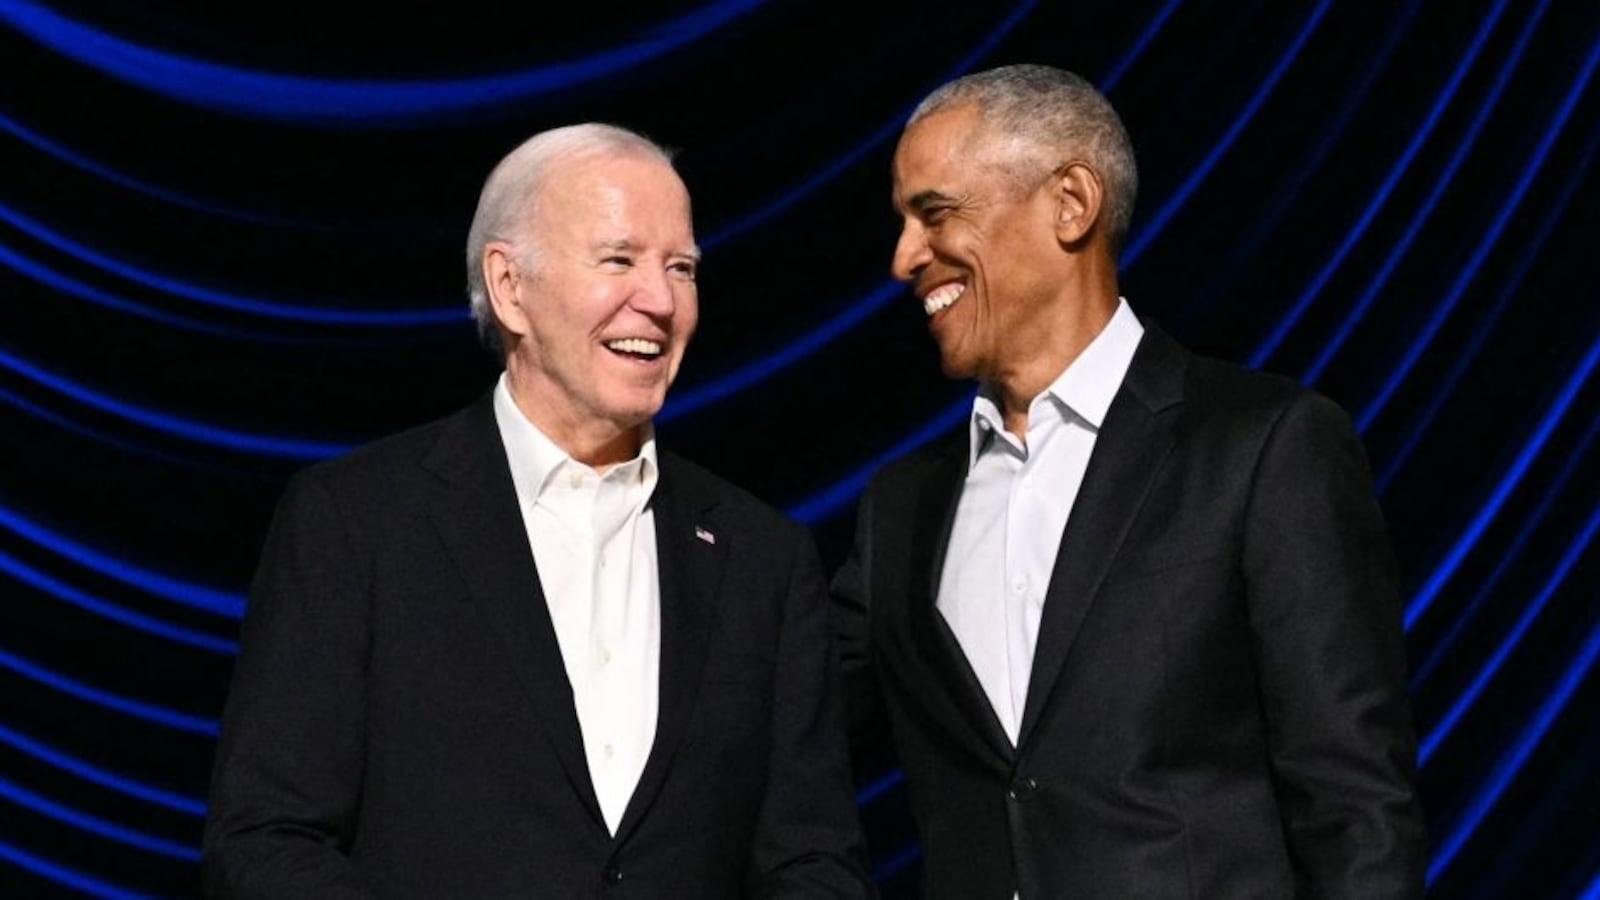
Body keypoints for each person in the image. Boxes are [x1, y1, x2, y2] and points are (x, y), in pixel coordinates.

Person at [204, 123, 874, 899]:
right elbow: (266, 841)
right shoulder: (357, 523)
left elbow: (814, 864)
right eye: (619, 259)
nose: (658, 300)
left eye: (681, 267)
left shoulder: (764, 558)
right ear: (510, 286)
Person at [832, 64, 1427, 898]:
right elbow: (779, 731)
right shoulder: (901, 512)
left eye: (934, 213)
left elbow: (1354, 803)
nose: (903, 258)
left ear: (1071, 204)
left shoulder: (1261, 448)